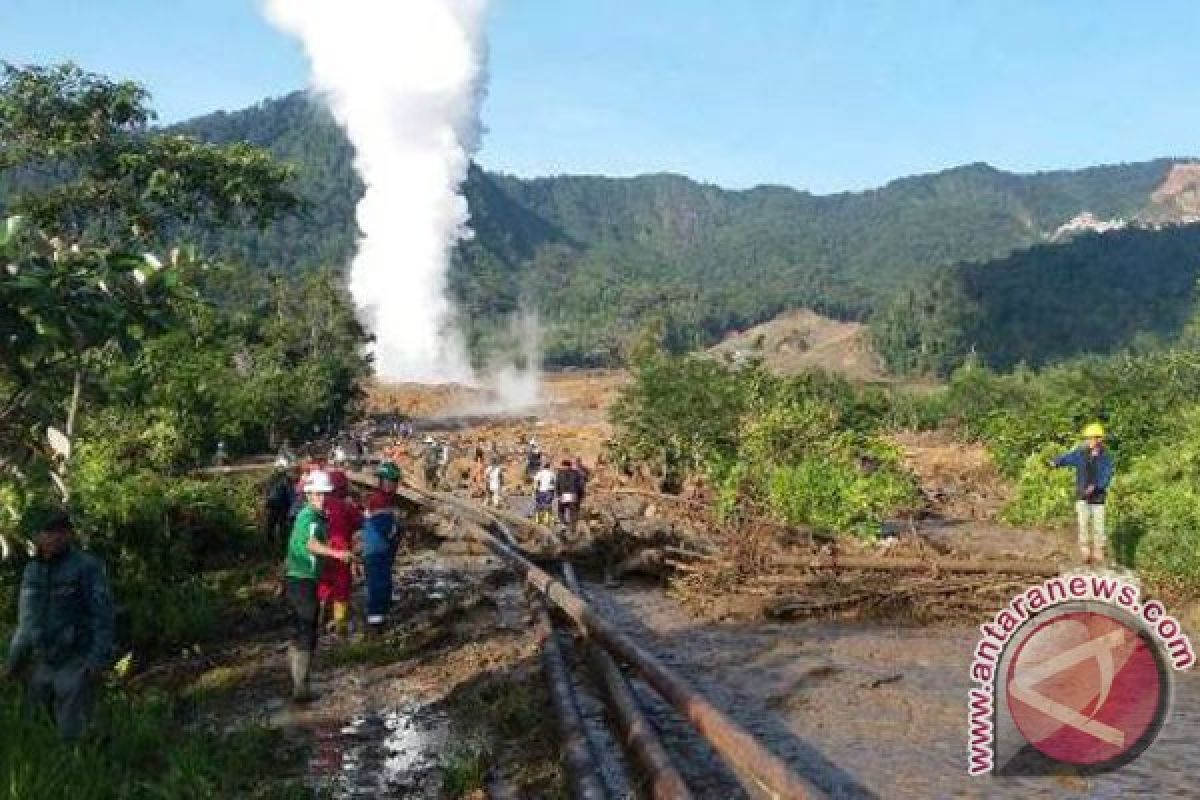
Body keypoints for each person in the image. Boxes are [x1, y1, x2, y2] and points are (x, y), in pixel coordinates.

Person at [4, 511, 115, 740]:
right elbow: (26, 621)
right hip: (43, 660)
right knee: (34, 730)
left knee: (72, 734)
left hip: (76, 660)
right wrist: (13, 662)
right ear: (37, 537)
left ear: (69, 536)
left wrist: (97, 660)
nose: (54, 538)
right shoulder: (32, 571)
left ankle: (84, 767)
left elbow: (103, 616)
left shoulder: (86, 567)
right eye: (48, 532)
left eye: (60, 532)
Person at [284, 470, 353, 703]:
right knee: (307, 630)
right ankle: (301, 689)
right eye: (316, 494)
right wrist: (337, 554)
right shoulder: (310, 517)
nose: (321, 498)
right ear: (308, 494)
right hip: (301, 579)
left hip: (301, 577)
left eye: (324, 494)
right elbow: (311, 544)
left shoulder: (313, 515)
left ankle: (298, 682)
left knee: (302, 629)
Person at [1050, 423, 1115, 566]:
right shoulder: (1080, 453)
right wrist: (1056, 462)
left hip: (1098, 498)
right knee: (1083, 525)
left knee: (1099, 527)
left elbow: (1107, 475)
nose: (1089, 441)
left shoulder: (1106, 457)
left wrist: (1096, 486)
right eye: (1088, 438)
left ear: (1100, 439)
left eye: (1093, 438)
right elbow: (1068, 458)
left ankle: (1098, 552)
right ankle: (1085, 552)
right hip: (1082, 497)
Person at [318, 470, 362, 638]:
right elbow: (362, 523)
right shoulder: (346, 507)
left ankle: (319, 621)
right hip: (340, 555)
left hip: (321, 553)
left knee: (323, 586)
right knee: (341, 590)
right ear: (342, 488)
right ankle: (339, 628)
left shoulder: (319, 505)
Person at [363, 462, 403, 633]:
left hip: (383, 550)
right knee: (378, 584)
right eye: (388, 480)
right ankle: (375, 622)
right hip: (376, 551)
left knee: (384, 583)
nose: (391, 484)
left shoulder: (386, 499)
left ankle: (382, 613)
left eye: (393, 481)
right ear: (380, 481)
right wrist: (395, 530)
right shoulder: (378, 500)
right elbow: (382, 528)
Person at [263, 457, 295, 546]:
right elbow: (291, 494)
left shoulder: (271, 478)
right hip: (282, 506)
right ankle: (282, 545)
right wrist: (293, 508)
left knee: (271, 525)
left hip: (272, 504)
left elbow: (266, 491)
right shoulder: (286, 479)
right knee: (282, 526)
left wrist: (266, 502)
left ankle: (270, 545)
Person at [556, 459, 582, 532]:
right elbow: (580, 485)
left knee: (561, 511)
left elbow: (557, 484)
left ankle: (563, 524)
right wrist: (580, 495)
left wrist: (558, 495)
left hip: (563, 494)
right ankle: (573, 527)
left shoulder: (559, 473)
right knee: (573, 511)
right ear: (570, 466)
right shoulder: (576, 473)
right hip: (573, 494)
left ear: (563, 465)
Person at [532, 458, 557, 526]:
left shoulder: (540, 473)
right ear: (549, 466)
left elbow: (536, 482)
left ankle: (537, 519)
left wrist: (534, 491)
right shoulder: (552, 473)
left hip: (541, 491)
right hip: (549, 491)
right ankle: (547, 520)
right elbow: (555, 483)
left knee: (539, 505)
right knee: (548, 505)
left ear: (543, 466)